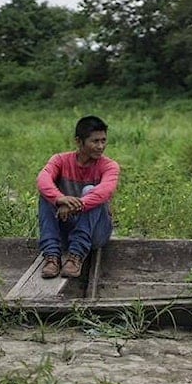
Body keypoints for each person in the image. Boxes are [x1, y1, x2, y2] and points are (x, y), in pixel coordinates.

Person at [37, 115, 120, 279]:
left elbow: (105, 191)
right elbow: (42, 179)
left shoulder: (109, 166)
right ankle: (51, 256)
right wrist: (59, 199)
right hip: (66, 230)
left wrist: (78, 204)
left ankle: (75, 256)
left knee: (92, 191)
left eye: (103, 141)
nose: (100, 146)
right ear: (79, 141)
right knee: (46, 195)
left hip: (95, 233)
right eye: (95, 141)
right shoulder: (60, 160)